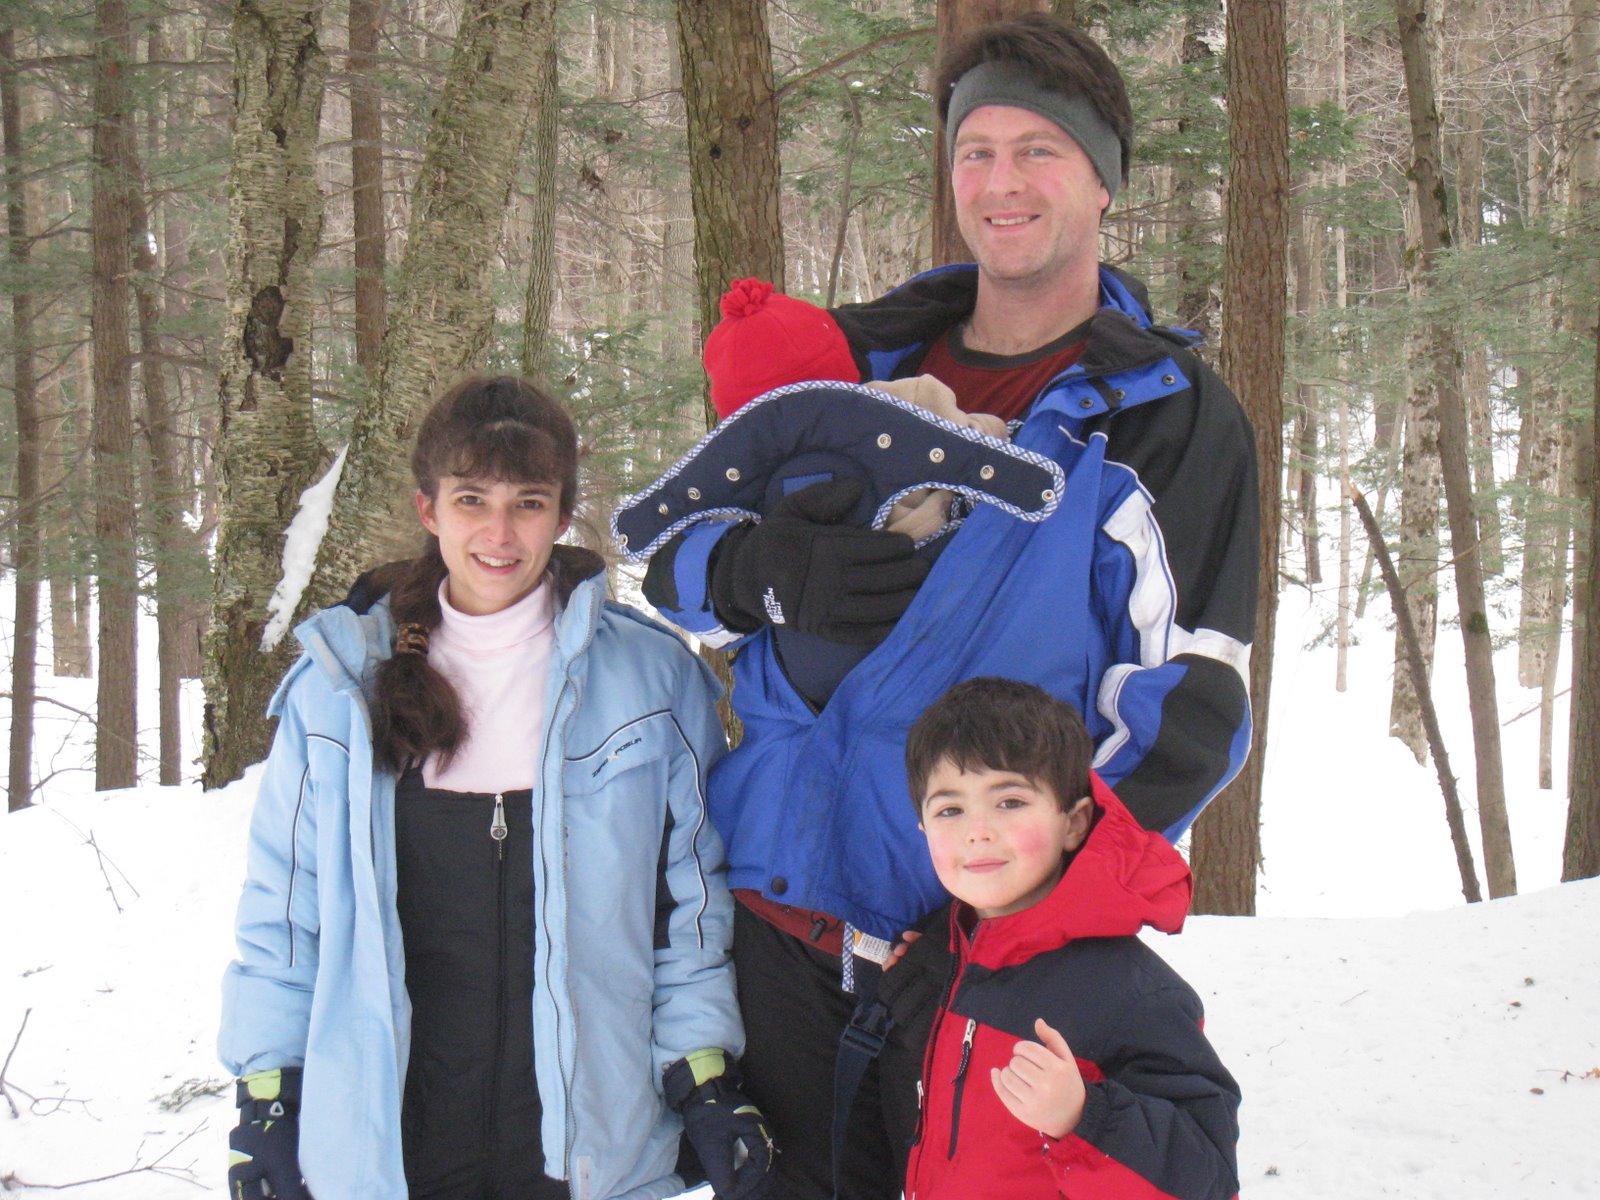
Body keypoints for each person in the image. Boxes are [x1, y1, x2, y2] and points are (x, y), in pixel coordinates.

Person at [637, 14, 1258, 1198]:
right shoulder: (837, 367)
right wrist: (750, 572)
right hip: (773, 919)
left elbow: (1191, 710)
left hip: (974, 954)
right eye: (976, 151)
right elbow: (663, 556)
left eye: (1039, 151)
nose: (1000, 182)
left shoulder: (1164, 418)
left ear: (1102, 182)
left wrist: (1016, 917)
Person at [218, 376, 772, 1200]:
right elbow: (284, 912)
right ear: (428, 510)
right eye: (472, 499)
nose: (500, 533)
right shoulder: (336, 688)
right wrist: (268, 1096)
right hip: (391, 1144)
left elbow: (691, 906)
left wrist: (700, 1071)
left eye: (530, 502)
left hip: (586, 1139)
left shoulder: (651, 680)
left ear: (563, 514)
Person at [897, 677, 1240, 1199]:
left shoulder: (1133, 994)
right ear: (923, 829)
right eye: (950, 809)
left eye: (1009, 801)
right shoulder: (949, 958)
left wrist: (1086, 1117)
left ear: (1074, 823)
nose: (977, 830)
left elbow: (1207, 1181)